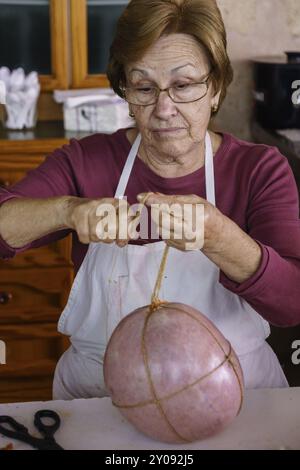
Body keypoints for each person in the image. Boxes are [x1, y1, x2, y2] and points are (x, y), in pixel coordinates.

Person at [0, 0, 300, 400]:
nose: (163, 109)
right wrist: (68, 210)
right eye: (144, 87)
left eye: (184, 86)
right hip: (103, 398)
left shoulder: (258, 168)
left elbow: (292, 304)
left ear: (216, 89)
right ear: (124, 92)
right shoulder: (86, 161)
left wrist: (219, 236)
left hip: (237, 396)